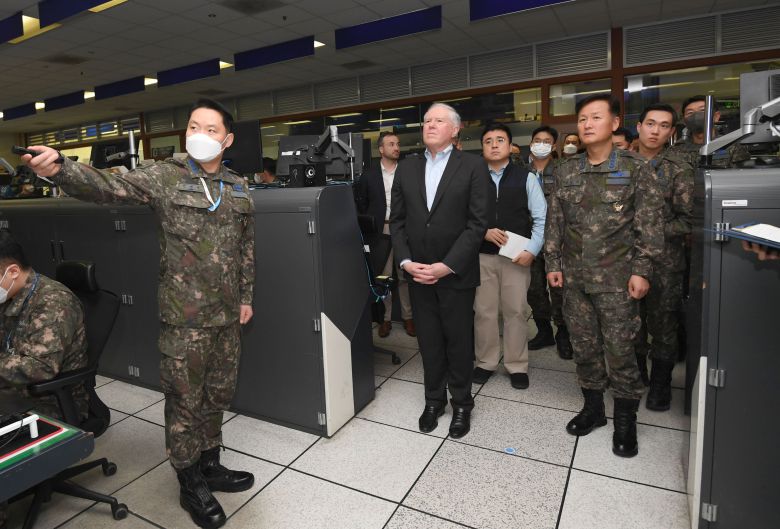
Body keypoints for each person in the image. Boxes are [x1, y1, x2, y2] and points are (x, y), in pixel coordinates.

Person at [23, 99, 255, 529]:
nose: (198, 134)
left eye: (209, 128)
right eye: (192, 126)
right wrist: (60, 171)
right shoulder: (167, 176)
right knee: (185, 400)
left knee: (218, 394)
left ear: (227, 140)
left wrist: (246, 297)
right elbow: (112, 186)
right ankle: (189, 480)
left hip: (226, 317)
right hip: (185, 319)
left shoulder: (238, 186)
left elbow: (245, 249)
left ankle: (210, 463)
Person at [545, 94, 664, 458]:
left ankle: (626, 422)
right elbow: (556, 224)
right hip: (575, 280)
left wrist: (642, 271)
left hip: (618, 281)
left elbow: (650, 227)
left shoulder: (636, 167)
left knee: (621, 351)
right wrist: (552, 263)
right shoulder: (567, 170)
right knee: (584, 347)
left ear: (614, 124)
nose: (586, 124)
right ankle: (593, 409)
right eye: (582, 119)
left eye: (595, 117)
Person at [390, 102, 489, 439]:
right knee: (429, 341)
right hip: (418, 273)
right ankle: (434, 400)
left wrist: (447, 266)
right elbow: (398, 221)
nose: (430, 125)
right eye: (426, 120)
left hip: (455, 273)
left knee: (459, 341)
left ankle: (462, 403)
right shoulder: (407, 167)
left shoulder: (474, 166)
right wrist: (405, 261)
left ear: (456, 129)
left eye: (438, 120)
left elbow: (478, 225)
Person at [0, 230, 88, 529]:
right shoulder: (10, 294)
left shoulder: (53, 303)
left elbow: (40, 368)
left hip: (48, 399)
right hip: (16, 387)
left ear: (12, 271)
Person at [473, 123, 546, 389]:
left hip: (516, 257)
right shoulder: (472, 176)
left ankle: (517, 365)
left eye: (499, 139)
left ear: (510, 145)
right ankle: (485, 362)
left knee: (516, 312)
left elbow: (541, 218)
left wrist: (532, 250)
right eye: (488, 140)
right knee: (484, 312)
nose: (494, 144)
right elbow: (460, 216)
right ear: (482, 147)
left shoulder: (525, 177)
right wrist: (482, 232)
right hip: (481, 256)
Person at [634, 103, 694, 411]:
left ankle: (660, 385)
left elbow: (689, 218)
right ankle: (637, 375)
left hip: (665, 264)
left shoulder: (679, 168)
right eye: (651, 123)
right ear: (639, 126)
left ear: (671, 131)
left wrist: (651, 228)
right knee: (631, 324)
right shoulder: (620, 165)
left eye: (664, 125)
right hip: (626, 260)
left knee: (663, 326)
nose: (655, 130)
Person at [355, 132, 414, 338]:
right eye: (391, 144)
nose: (396, 147)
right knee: (385, 277)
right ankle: (385, 319)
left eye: (398, 144)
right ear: (381, 149)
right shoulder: (369, 175)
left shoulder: (408, 172)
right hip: (381, 231)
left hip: (405, 230)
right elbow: (361, 204)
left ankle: (408, 318)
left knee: (406, 276)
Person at [524, 126, 573, 359]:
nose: (540, 144)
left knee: (559, 289)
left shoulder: (566, 171)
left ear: (554, 146)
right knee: (533, 289)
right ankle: (544, 331)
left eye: (546, 141)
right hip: (529, 239)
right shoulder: (522, 172)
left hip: (558, 240)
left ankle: (563, 333)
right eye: (537, 140)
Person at [669, 95, 751, 169]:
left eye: (702, 110)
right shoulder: (675, 149)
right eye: (690, 113)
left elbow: (742, 178)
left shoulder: (732, 146)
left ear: (716, 116)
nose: (696, 115)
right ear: (684, 120)